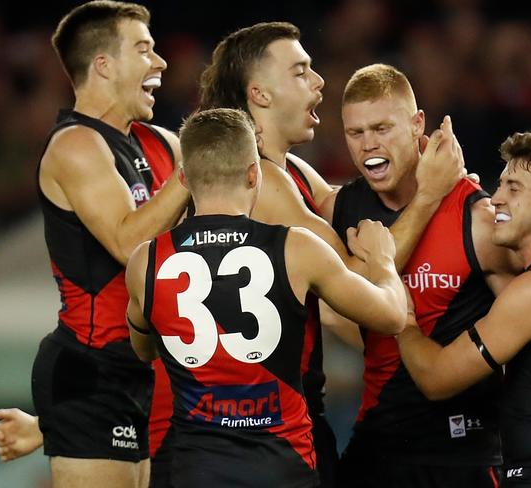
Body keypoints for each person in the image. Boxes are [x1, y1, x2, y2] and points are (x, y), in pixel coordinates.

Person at [317, 64, 531, 487]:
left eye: (382, 128)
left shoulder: (480, 219)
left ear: (417, 125)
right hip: (378, 443)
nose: (369, 144)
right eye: (356, 133)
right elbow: (337, 308)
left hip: (464, 454)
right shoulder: (340, 210)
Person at [194, 22, 464, 487]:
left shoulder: (289, 172)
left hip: (264, 421)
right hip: (266, 427)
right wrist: (431, 196)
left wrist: (430, 173)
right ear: (259, 94)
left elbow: (359, 203)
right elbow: (359, 278)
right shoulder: (261, 182)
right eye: (301, 72)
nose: (319, 82)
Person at [125, 107, 409, 487]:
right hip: (282, 464)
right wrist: (383, 261)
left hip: (197, 468)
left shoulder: (147, 260)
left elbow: (144, 350)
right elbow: (391, 316)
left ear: (183, 178)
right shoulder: (296, 249)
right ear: (254, 173)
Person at [0, 2, 189, 487]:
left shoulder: (160, 143)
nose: (160, 63)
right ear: (104, 65)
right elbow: (128, 240)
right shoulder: (75, 146)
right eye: (144, 49)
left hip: (150, 377)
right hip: (93, 374)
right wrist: (194, 173)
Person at [397, 127, 531, 486]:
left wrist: (402, 315)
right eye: (500, 185)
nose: (495, 199)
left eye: (513, 188)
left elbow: (436, 379)